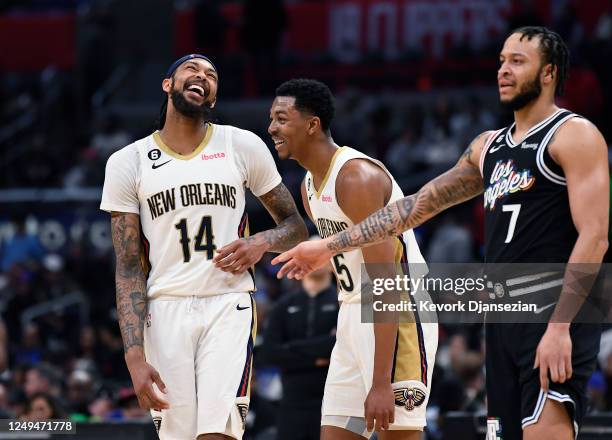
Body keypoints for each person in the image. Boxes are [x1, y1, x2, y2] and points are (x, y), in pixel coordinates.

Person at [273, 27, 609, 440]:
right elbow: (415, 206)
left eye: (518, 61)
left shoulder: (574, 134)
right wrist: (330, 244)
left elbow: (595, 236)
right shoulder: (488, 146)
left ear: (549, 73)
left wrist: (560, 328)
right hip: (503, 312)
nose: (503, 70)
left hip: (554, 306)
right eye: (502, 60)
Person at [100, 54, 307, 440]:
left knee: (219, 433)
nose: (203, 77)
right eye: (192, 70)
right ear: (168, 85)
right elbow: (128, 266)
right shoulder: (127, 162)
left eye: (212, 74)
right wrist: (133, 356)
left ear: (212, 96)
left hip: (229, 303)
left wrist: (259, 242)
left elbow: (295, 227)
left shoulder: (241, 145)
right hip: (164, 310)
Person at [268, 79, 438, 439]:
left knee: (397, 433)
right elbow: (351, 247)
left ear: (312, 124)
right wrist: (325, 259)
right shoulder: (308, 187)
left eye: (281, 119)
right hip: (351, 313)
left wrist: (380, 382)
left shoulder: (356, 177)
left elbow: (387, 281)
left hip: (397, 313)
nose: (272, 128)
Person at [259, 258, 339, 440]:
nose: (316, 261)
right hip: (291, 402)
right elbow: (270, 353)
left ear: (331, 264)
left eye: (321, 256)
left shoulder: (342, 304)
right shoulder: (283, 306)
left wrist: (292, 347)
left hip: (331, 401)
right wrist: (316, 358)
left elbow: (340, 346)